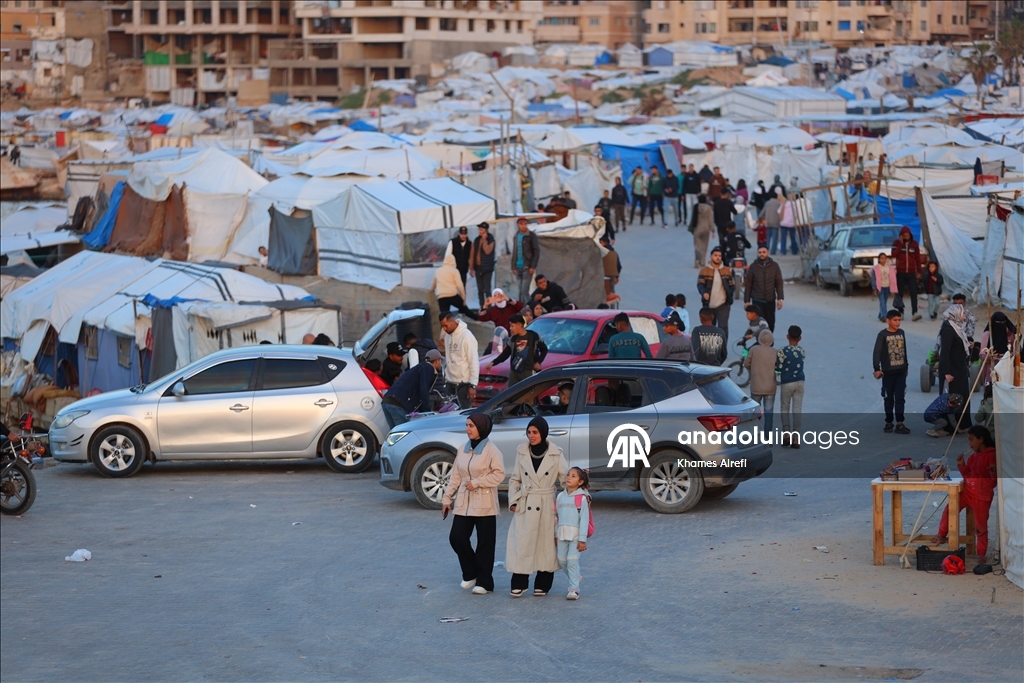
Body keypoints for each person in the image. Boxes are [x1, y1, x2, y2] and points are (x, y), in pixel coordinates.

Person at [443, 413, 506, 595]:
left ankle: (485, 583)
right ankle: (471, 573)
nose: (467, 429)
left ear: (481, 427)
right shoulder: (462, 448)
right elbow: (455, 475)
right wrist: (447, 498)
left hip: (485, 502)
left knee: (485, 544)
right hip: (464, 501)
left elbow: (499, 474)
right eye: (467, 425)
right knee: (457, 538)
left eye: (471, 425)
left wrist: (477, 482)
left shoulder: (493, 451)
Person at [506, 416, 568, 597]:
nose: (531, 436)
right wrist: (514, 501)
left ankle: (543, 584)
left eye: (535, 432)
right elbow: (514, 479)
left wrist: (576, 496)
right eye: (529, 432)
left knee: (546, 545)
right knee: (522, 544)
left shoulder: (556, 453)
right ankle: (519, 582)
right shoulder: (522, 452)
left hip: (546, 503)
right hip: (526, 503)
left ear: (543, 432)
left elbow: (566, 479)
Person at [932, 425, 997, 563]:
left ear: (981, 439)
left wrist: (993, 471)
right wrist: (962, 465)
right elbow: (968, 475)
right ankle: (942, 534)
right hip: (968, 492)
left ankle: (981, 555)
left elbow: (993, 482)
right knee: (950, 509)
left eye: (971, 439)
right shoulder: (973, 457)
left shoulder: (992, 456)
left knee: (980, 527)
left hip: (982, 496)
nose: (969, 443)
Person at [382, 349, 443, 427]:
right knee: (404, 434)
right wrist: (427, 412)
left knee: (396, 434)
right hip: (398, 404)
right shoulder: (428, 368)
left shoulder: (420, 367)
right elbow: (424, 389)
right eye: (441, 361)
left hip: (387, 401)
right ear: (437, 360)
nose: (441, 364)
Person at [555, 466, 590, 601]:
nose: (569, 477)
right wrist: (555, 535)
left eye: (573, 476)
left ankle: (574, 589)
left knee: (572, 561)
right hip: (562, 534)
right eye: (568, 475)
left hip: (576, 536)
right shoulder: (560, 497)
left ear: (580, 482)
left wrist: (582, 539)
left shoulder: (581, 498)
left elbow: (584, 520)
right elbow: (556, 517)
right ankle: (576, 576)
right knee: (562, 561)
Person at [873, 310, 910, 434]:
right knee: (888, 398)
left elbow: (904, 350)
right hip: (888, 373)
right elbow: (877, 352)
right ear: (888, 321)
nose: (898, 322)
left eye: (899, 320)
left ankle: (900, 423)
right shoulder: (882, 335)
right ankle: (889, 422)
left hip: (901, 372)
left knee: (900, 397)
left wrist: (906, 366)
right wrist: (877, 369)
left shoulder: (901, 333)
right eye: (895, 320)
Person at [485, 314, 548, 387]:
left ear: (520, 325)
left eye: (512, 326)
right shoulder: (512, 340)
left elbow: (544, 349)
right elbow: (505, 354)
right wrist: (493, 363)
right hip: (514, 373)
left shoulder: (534, 336)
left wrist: (538, 362)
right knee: (512, 394)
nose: (510, 328)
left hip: (528, 371)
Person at [939, 303, 973, 433]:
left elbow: (958, 345)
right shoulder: (948, 329)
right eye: (963, 313)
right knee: (953, 397)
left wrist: (968, 345)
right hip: (952, 370)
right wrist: (946, 372)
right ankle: (950, 426)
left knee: (962, 395)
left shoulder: (957, 328)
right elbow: (945, 352)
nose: (964, 315)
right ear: (956, 314)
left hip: (960, 368)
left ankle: (960, 424)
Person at [440, 312, 479, 408]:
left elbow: (473, 361)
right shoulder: (448, 336)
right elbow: (448, 358)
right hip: (450, 383)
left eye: (446, 325)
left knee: (463, 414)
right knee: (449, 413)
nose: (444, 329)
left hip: (463, 384)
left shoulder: (467, 336)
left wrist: (472, 385)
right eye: (442, 326)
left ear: (453, 321)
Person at [776, 325, 805, 448]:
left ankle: (786, 434)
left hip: (787, 382)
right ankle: (796, 438)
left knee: (784, 408)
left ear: (787, 336)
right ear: (800, 338)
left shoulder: (782, 351)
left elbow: (778, 368)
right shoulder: (802, 351)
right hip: (800, 382)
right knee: (797, 409)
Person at [744, 246, 784, 332]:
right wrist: (747, 301)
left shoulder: (775, 266)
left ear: (768, 253)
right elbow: (748, 285)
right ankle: (760, 342)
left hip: (770, 300)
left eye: (764, 252)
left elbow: (779, 283)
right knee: (759, 323)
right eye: (760, 252)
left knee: (770, 322)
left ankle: (769, 342)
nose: (762, 254)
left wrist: (780, 298)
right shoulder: (753, 267)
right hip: (757, 300)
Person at [744, 329, 777, 432]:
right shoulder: (775, 352)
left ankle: (754, 436)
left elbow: (746, 364)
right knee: (769, 412)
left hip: (756, 386)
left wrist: (753, 370)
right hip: (770, 388)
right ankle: (768, 438)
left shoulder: (753, 350)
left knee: (754, 413)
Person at [891, 226, 925, 321]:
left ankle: (915, 312)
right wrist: (901, 245)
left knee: (913, 293)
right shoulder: (896, 243)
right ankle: (900, 312)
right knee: (900, 293)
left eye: (908, 235)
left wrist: (919, 271)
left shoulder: (914, 244)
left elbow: (917, 259)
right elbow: (894, 254)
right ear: (901, 236)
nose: (906, 237)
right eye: (904, 235)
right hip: (900, 272)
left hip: (911, 273)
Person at [431, 254, 476, 319]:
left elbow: (433, 284)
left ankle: (444, 329)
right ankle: (477, 318)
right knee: (464, 308)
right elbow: (460, 285)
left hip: (441, 297)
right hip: (452, 295)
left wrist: (431, 291)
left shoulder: (438, 271)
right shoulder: (454, 271)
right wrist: (463, 297)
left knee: (444, 317)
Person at [511, 217, 540, 303]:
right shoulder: (516, 236)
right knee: (520, 291)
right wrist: (513, 266)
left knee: (524, 291)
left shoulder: (531, 236)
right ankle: (522, 310)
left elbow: (536, 251)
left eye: (525, 224)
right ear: (518, 225)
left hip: (527, 266)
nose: (523, 226)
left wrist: (533, 266)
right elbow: (515, 251)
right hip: (518, 266)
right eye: (521, 224)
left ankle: (529, 309)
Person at [470, 222, 496, 309]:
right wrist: (471, 267)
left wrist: (485, 241)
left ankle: (489, 308)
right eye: (479, 229)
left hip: (487, 268)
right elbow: (472, 253)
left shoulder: (491, 239)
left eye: (481, 230)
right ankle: (482, 307)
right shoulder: (476, 240)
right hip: (478, 268)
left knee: (487, 290)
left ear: (486, 230)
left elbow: (488, 251)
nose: (480, 231)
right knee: (480, 289)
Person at [689, 194, 715, 268]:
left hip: (697, 228)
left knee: (697, 245)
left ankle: (697, 259)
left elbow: (692, 218)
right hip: (706, 229)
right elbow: (710, 220)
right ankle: (702, 261)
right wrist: (713, 230)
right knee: (704, 245)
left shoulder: (695, 207)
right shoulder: (708, 208)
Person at [872, 253, 896, 322]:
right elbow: (874, 279)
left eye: (885, 258)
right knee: (882, 302)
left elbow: (892, 278)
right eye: (882, 258)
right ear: (879, 259)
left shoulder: (890, 268)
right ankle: (885, 316)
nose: (883, 260)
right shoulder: (876, 268)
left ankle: (881, 315)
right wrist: (874, 289)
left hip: (887, 287)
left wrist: (893, 289)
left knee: (884, 302)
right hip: (880, 288)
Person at [759, 190, 783, 255]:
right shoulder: (778, 204)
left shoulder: (767, 203)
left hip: (767, 222)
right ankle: (773, 251)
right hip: (775, 222)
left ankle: (766, 250)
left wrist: (761, 219)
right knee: (775, 238)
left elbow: (761, 213)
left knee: (768, 238)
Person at [600, 235, 621, 300]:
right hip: (613, 276)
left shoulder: (601, 252)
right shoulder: (615, 253)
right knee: (611, 294)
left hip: (603, 276)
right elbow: (619, 266)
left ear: (602, 242)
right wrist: (617, 276)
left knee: (603, 294)